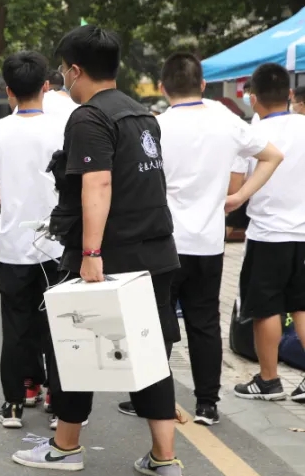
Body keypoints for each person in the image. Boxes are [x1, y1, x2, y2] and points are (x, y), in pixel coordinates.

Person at [11, 25, 184, 476]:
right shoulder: (143, 114)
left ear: (75, 70)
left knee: (74, 345)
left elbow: (98, 183)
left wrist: (91, 252)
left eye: (63, 70)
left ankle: (66, 446)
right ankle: (165, 458)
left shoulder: (88, 118)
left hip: (110, 256)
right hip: (156, 252)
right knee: (149, 351)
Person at [113, 54, 281, 426]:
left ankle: (152, 400)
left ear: (162, 87)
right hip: (208, 241)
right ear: (203, 84)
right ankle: (207, 403)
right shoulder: (227, 121)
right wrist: (240, 197)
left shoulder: (154, 126)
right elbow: (273, 156)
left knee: (157, 322)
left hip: (162, 242)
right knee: (204, 322)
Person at [0, 52, 67, 429]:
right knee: (59, 324)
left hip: (14, 243)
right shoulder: (63, 127)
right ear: (46, 86)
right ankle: (60, 404)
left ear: (9, 91)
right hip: (57, 243)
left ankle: (14, 403)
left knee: (16, 325)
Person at [230, 63, 305, 402]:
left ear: (253, 98)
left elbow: (236, 186)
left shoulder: (252, 133)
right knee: (302, 306)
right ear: (289, 93)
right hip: (303, 234)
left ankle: (269, 380)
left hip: (268, 234)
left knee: (266, 308)